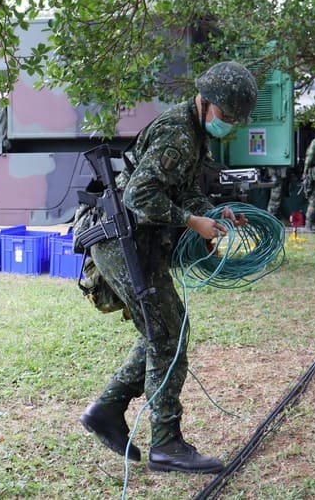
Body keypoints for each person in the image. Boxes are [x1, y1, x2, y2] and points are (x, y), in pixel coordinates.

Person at [79, 61, 257, 474]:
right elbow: (140, 195)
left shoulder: (194, 133)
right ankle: (165, 443)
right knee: (167, 333)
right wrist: (193, 222)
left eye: (234, 119)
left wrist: (214, 213)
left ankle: (107, 409)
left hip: (137, 241)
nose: (228, 125)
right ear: (206, 102)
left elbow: (184, 191)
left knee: (165, 331)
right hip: (120, 241)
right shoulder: (178, 133)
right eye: (226, 116)